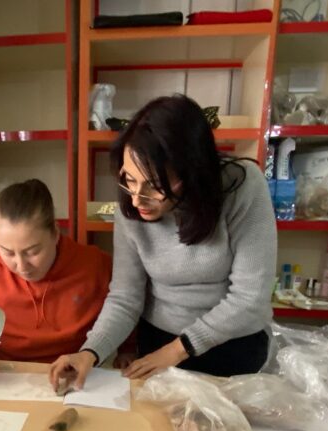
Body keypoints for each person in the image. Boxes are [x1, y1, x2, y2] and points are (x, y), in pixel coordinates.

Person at [50, 95, 277, 389]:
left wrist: (177, 351)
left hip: (233, 344)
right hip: (158, 341)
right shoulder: (131, 207)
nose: (137, 199)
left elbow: (250, 298)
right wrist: (90, 352)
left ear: (193, 173)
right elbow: (125, 297)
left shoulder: (242, 186)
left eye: (155, 186)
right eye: (129, 179)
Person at [0, 179, 118, 375]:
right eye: (7, 252)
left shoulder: (96, 266)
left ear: (55, 234)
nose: (21, 266)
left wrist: (126, 350)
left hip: (76, 373)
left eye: (32, 251)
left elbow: (122, 309)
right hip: (5, 377)